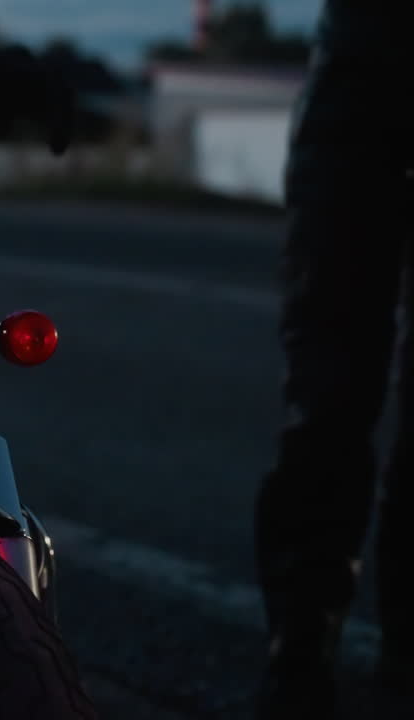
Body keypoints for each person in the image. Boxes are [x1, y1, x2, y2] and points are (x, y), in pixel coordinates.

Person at [255, 2, 414, 718]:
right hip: (360, 76)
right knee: (329, 389)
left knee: (332, 385)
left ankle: (388, 641)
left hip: (356, 78)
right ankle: (300, 639)